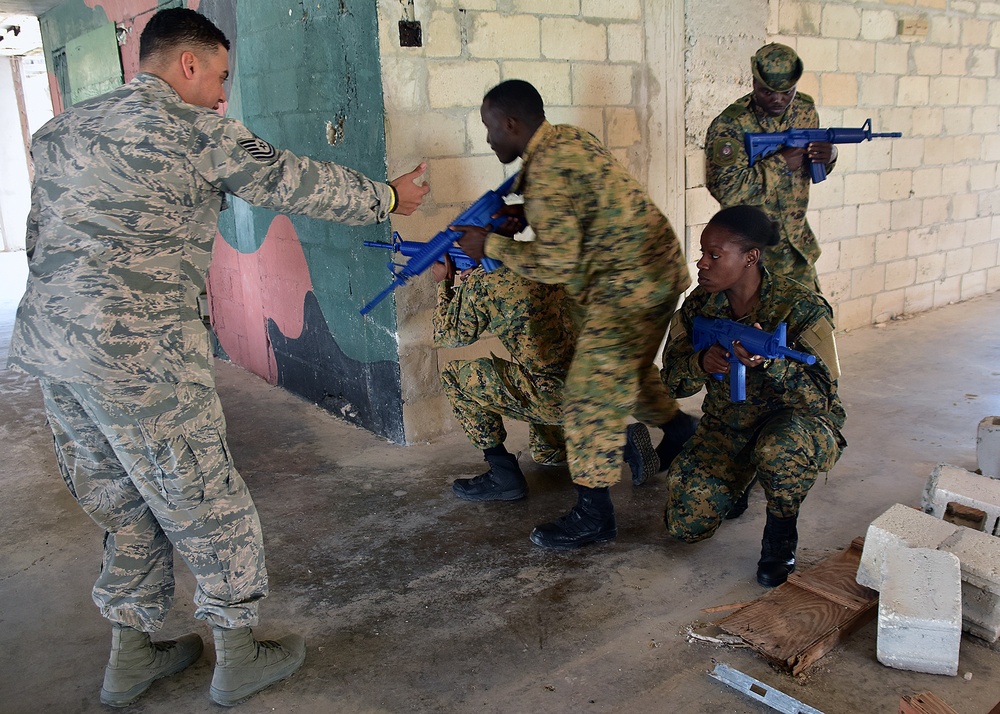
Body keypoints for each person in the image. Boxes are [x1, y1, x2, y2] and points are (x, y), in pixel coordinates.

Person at [6, 8, 428, 708]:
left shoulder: (61, 130)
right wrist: (388, 197)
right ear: (188, 64)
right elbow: (293, 180)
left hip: (55, 353)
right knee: (205, 497)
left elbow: (41, 235)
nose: (224, 96)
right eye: (221, 77)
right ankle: (238, 652)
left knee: (123, 501)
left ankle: (132, 655)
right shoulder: (196, 132)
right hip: (142, 357)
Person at [456, 79, 693, 550]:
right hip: (658, 271)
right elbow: (581, 202)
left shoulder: (545, 171)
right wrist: (525, 215)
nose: (487, 139)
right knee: (628, 371)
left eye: (489, 128)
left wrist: (492, 245)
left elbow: (557, 263)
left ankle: (594, 514)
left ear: (511, 123)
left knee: (588, 395)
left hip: (628, 286)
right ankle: (681, 428)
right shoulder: (568, 138)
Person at [660, 205, 846, 587]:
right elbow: (674, 385)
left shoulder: (803, 307)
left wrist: (772, 364)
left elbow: (820, 401)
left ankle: (780, 537)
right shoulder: (699, 305)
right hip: (728, 421)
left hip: (793, 423)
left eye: (714, 255)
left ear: (750, 258)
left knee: (779, 451)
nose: (702, 264)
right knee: (685, 525)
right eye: (702, 253)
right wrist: (702, 362)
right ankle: (739, 480)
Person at [431, 255, 576, 500]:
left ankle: (502, 473)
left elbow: (447, 335)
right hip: (600, 385)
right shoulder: (553, 257)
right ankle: (559, 447)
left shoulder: (486, 279)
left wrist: (444, 284)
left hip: (558, 399)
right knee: (545, 451)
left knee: (454, 375)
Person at [705, 43, 836, 293]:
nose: (778, 99)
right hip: (751, 254)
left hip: (796, 247)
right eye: (767, 91)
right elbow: (727, 191)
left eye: (787, 92)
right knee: (753, 328)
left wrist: (829, 156)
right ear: (754, 83)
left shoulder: (805, 111)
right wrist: (780, 162)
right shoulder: (730, 124)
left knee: (812, 325)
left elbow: (810, 169)